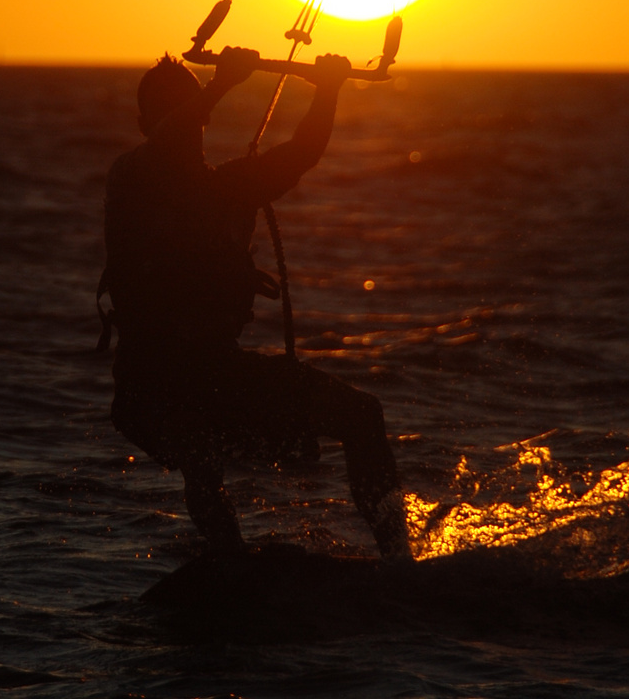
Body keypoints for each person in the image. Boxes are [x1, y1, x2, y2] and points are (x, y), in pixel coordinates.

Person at [101, 47, 409, 560]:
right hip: (151, 384)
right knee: (199, 455)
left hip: (220, 373)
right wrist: (221, 85)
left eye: (191, 109)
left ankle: (400, 563)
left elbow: (303, 150)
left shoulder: (229, 188)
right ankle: (230, 565)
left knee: (362, 415)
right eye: (175, 111)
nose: (188, 124)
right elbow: (167, 139)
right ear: (144, 123)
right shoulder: (132, 176)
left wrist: (329, 89)